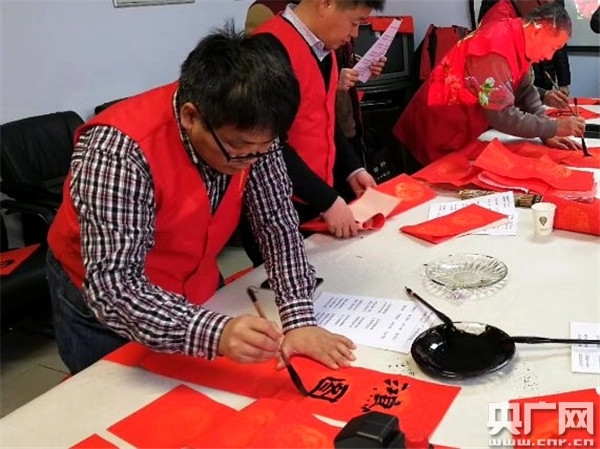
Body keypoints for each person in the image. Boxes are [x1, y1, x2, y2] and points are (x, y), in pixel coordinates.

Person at [46, 27, 356, 375]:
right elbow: (115, 287)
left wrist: (298, 319)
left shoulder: (251, 135)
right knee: (115, 393)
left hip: (191, 276)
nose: (250, 161)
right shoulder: (118, 153)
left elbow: (276, 223)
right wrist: (216, 333)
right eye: (238, 148)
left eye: (263, 148)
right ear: (190, 116)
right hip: (105, 298)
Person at [253, 0, 386, 241]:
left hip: (316, 197)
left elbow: (325, 118)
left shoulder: (323, 48)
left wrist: (352, 169)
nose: (355, 33)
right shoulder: (268, 50)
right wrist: (326, 199)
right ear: (326, 4)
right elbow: (268, 145)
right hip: (279, 206)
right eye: (354, 22)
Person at [392, 2, 585, 168]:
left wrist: (547, 131)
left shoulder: (518, 35)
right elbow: (502, 115)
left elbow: (524, 89)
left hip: (458, 131)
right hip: (431, 132)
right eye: (553, 48)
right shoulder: (495, 48)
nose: (550, 57)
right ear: (537, 31)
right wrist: (552, 127)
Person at [478, 0, 571, 109]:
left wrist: (542, 94)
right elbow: (500, 95)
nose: (547, 15)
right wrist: (542, 96)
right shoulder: (500, 23)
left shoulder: (522, 19)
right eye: (544, 4)